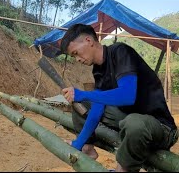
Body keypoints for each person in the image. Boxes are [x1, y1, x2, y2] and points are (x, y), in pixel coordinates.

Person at [60, 24, 178, 172]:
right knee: (83, 104)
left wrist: (83, 94)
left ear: (89, 41)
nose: (77, 59)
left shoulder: (120, 52)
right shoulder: (98, 70)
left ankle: (123, 169)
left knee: (134, 123)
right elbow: (96, 109)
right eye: (73, 56)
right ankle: (87, 149)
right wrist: (79, 142)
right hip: (130, 121)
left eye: (76, 53)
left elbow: (127, 96)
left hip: (161, 128)